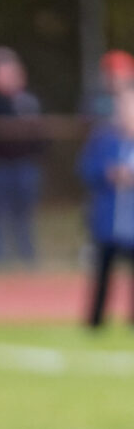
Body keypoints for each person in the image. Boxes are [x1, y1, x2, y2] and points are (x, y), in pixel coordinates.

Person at [0, 46, 45, 266]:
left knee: (25, 214)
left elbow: (42, 131)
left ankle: (27, 257)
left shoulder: (28, 100)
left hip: (25, 164)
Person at [79, 83, 134, 327]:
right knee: (102, 273)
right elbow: (85, 169)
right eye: (123, 105)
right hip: (108, 220)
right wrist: (107, 173)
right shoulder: (104, 137)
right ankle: (95, 322)